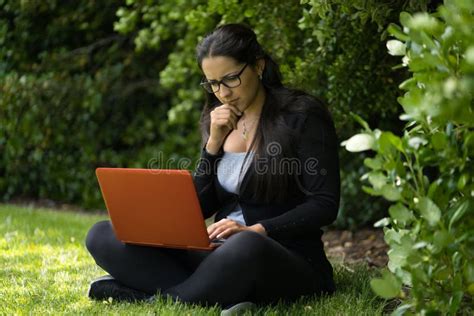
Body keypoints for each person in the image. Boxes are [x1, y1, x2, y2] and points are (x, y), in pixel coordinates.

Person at [85, 23, 340, 313]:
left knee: (244, 247)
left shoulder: (301, 116)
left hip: (281, 256)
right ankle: (219, 293)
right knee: (102, 235)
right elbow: (199, 206)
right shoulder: (216, 119)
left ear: (258, 66)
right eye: (213, 83)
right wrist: (212, 146)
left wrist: (257, 230)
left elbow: (324, 204)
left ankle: (151, 298)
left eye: (231, 79)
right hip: (217, 252)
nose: (223, 93)